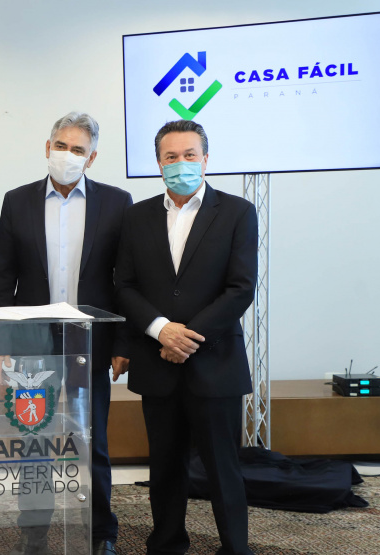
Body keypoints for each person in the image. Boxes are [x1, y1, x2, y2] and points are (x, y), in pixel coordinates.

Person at [0, 112, 131, 555]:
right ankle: (33, 534)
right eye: (62, 146)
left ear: (92, 158)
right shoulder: (17, 201)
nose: (68, 155)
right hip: (33, 345)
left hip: (92, 341)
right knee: (34, 442)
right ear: (47, 147)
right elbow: (3, 277)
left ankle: (101, 532)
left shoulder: (117, 202)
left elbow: (126, 280)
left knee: (92, 440)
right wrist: (0, 343)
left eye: (78, 149)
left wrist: (123, 343)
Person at [114, 120, 258, 555]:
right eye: (171, 156)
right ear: (159, 163)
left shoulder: (237, 212)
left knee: (222, 468)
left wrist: (187, 338)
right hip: (156, 360)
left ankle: (235, 548)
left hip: (214, 361)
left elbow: (240, 288)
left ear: (205, 159)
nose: (181, 163)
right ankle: (166, 543)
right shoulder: (136, 216)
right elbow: (125, 285)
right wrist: (161, 330)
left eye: (189, 155)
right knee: (165, 466)